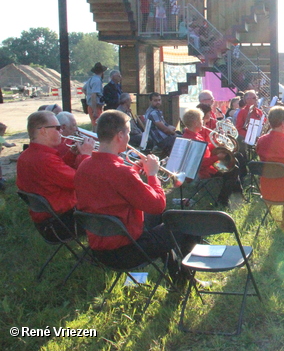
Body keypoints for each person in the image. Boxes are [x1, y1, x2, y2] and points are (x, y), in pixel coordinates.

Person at [74, 110, 197, 281]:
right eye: (129, 133)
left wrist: (135, 171)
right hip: (127, 250)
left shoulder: (84, 165)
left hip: (98, 247)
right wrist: (153, 174)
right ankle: (184, 278)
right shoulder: (122, 173)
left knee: (164, 223)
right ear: (120, 136)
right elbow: (157, 205)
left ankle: (177, 275)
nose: (129, 138)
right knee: (188, 224)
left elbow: (109, 186)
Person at [16, 111, 94, 241]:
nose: (61, 132)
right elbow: (81, 182)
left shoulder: (27, 155)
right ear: (43, 131)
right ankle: (112, 252)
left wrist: (72, 155)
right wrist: (86, 155)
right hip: (61, 224)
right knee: (116, 205)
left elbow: (55, 175)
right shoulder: (45, 159)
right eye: (57, 128)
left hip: (49, 223)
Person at [181, 109, 241, 206]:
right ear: (195, 122)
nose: (203, 122)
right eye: (201, 120)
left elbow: (207, 147)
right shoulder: (193, 140)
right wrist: (218, 156)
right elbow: (200, 163)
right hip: (203, 172)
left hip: (207, 166)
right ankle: (223, 200)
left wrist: (219, 144)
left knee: (234, 162)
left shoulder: (194, 135)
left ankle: (237, 194)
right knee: (233, 170)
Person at [145, 92, 178, 158]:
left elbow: (165, 125)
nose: (158, 102)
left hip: (163, 138)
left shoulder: (155, 111)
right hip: (161, 140)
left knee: (179, 134)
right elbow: (165, 130)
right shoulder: (153, 113)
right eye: (155, 100)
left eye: (159, 100)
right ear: (150, 101)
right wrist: (174, 133)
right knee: (182, 140)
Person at [84, 62, 108, 131]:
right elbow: (94, 95)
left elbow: (83, 89)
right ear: (102, 72)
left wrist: (88, 97)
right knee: (98, 127)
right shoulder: (97, 81)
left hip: (91, 106)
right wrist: (94, 110)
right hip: (95, 107)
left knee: (95, 125)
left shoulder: (91, 79)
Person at [0, 122, 15, 190]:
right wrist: (12, 144)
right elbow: (7, 145)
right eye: (3, 132)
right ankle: (0, 178)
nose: (4, 134)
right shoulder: (0, 138)